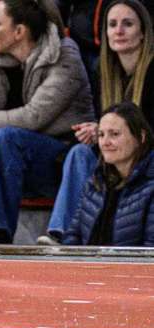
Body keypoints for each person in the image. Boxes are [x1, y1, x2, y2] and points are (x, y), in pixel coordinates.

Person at [0, 0, 95, 242]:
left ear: (19, 32)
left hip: (60, 160)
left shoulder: (64, 54)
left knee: (6, 136)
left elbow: (34, 116)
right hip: (11, 162)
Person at [40, 0, 153, 244]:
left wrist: (111, 130)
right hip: (120, 155)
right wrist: (99, 130)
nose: (119, 31)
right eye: (112, 25)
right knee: (80, 154)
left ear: (143, 32)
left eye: (128, 24)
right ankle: (61, 235)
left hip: (147, 158)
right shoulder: (104, 72)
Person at [62, 101, 153, 245]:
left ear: (141, 137)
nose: (105, 142)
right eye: (101, 135)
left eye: (114, 134)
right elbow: (73, 237)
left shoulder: (150, 185)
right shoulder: (95, 182)